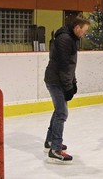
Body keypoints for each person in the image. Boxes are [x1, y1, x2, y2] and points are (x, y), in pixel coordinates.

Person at [44, 16, 90, 164]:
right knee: (62, 113)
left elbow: (70, 65)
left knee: (59, 110)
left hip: (59, 80)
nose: (84, 33)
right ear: (77, 27)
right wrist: (68, 86)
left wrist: (73, 82)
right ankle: (55, 149)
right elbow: (64, 66)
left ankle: (50, 141)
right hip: (56, 81)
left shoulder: (70, 38)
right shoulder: (65, 39)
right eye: (84, 30)